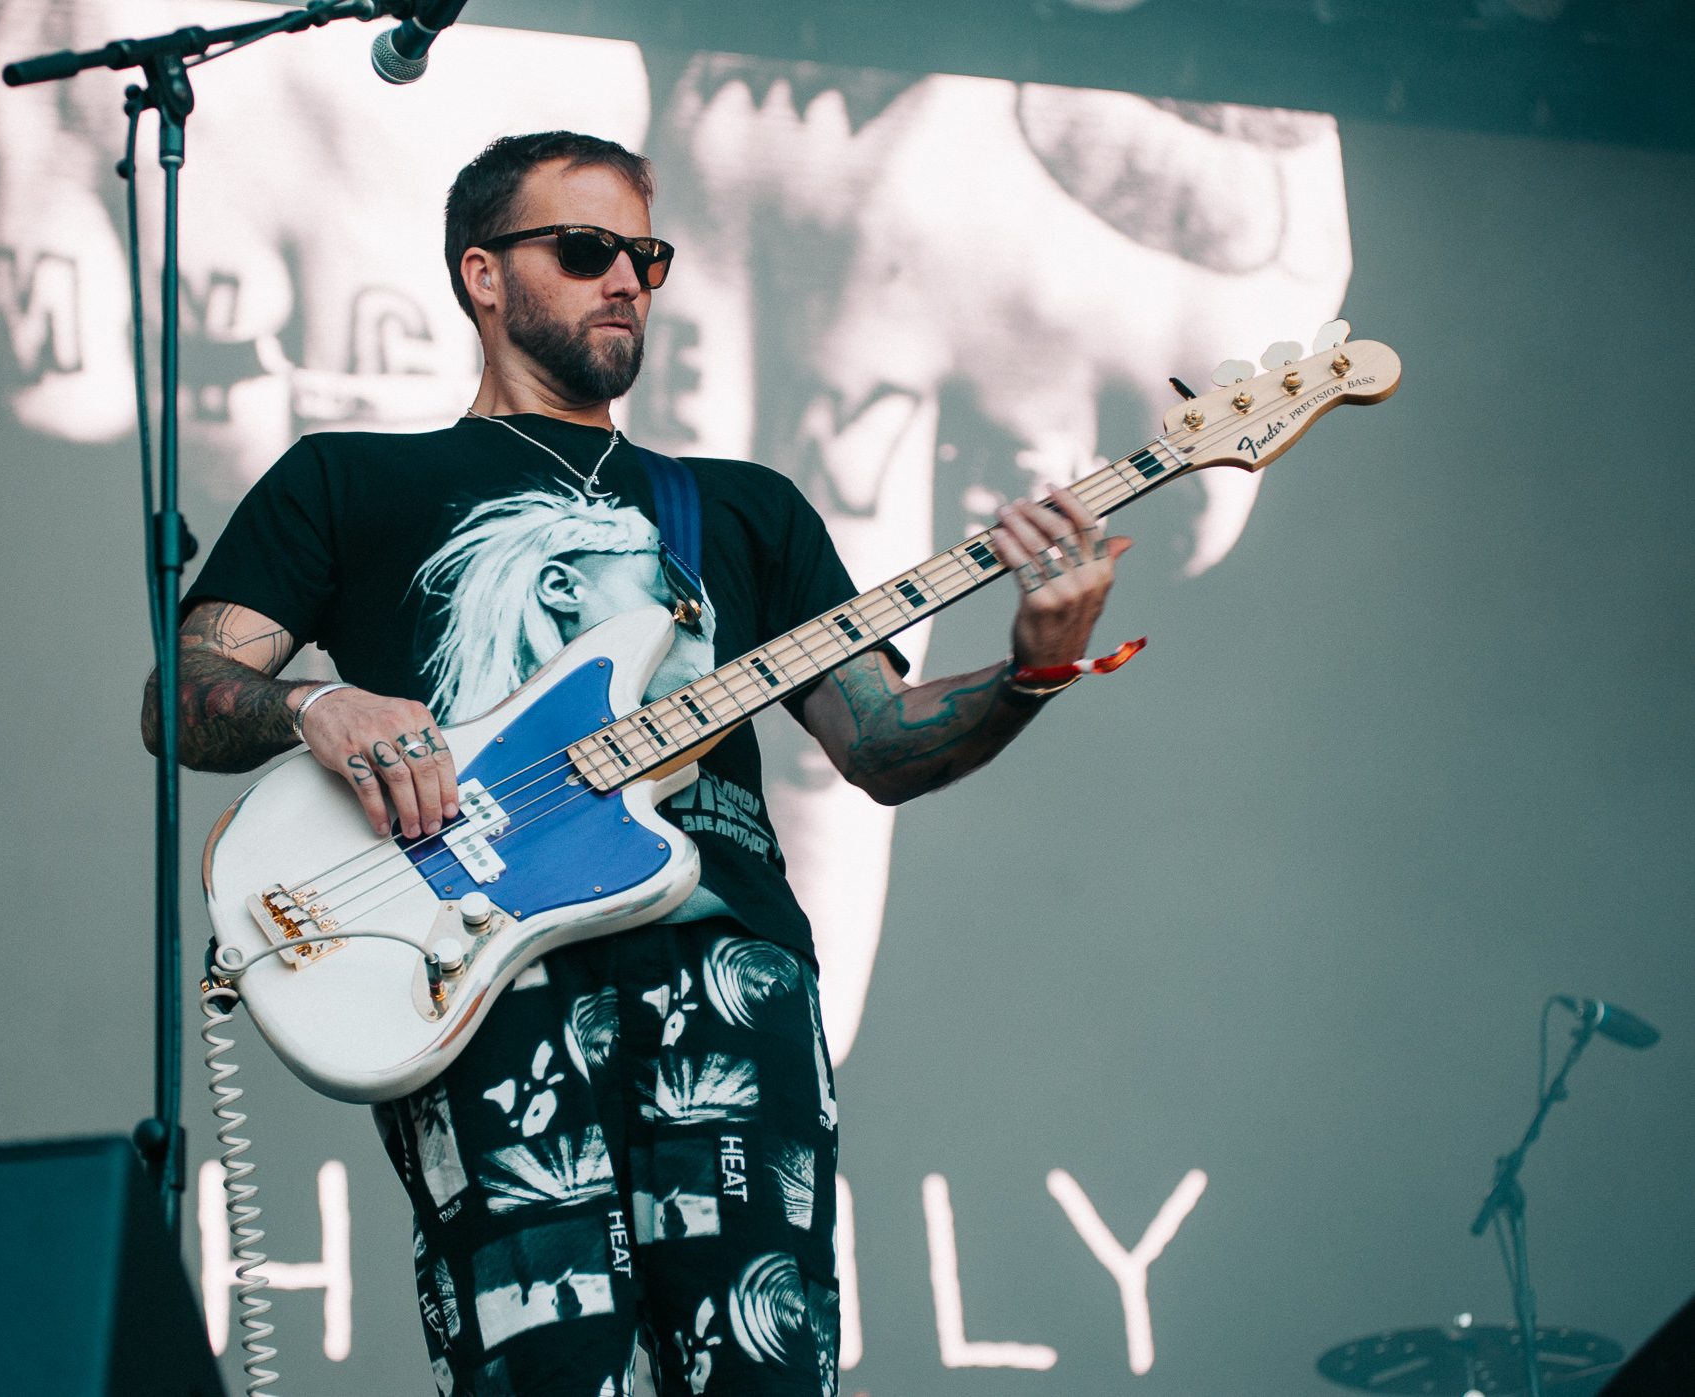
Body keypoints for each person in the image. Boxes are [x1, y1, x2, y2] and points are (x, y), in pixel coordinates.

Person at [144, 131, 1131, 1397]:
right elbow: (180, 693)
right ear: (482, 275)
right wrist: (315, 703)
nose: (627, 279)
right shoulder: (352, 478)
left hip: (727, 978)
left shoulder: (741, 507)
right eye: (585, 249)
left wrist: (1034, 665)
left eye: (645, 257)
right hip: (480, 982)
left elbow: (878, 743)